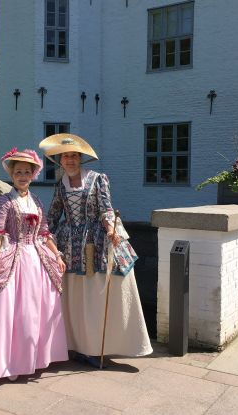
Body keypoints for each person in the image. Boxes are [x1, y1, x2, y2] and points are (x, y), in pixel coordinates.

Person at [39, 133, 152, 368]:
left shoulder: (98, 179)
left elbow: (106, 209)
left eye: (73, 156)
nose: (69, 160)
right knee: (74, 297)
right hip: (69, 245)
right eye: (65, 156)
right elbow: (53, 215)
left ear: (80, 158)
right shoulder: (60, 185)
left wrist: (111, 229)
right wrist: (39, 233)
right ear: (60, 161)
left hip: (95, 244)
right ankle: (76, 345)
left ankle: (95, 347)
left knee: (94, 297)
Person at [0, 148, 69, 381]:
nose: (22, 176)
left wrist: (58, 255)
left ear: (33, 175)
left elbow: (44, 232)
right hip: (15, 257)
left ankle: (32, 359)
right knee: (10, 308)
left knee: (34, 312)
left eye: (26, 172)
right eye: (18, 172)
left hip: (36, 260)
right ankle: (9, 363)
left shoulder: (38, 201)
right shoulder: (5, 201)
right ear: (11, 174)